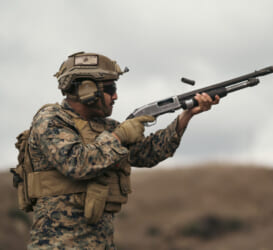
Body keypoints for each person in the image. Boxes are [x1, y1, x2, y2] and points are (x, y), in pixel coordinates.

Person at [24, 52, 219, 249]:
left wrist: (185, 117)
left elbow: (147, 154)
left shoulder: (106, 128)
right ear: (87, 89)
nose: (115, 96)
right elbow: (76, 163)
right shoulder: (50, 119)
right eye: (111, 88)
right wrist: (120, 136)